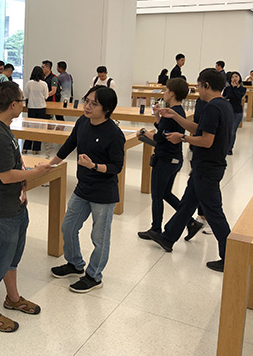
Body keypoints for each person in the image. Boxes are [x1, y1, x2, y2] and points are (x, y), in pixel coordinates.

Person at [0, 81, 52, 332]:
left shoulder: (4, 129)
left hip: (15, 204)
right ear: (13, 104)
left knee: (11, 257)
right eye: (21, 100)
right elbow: (6, 176)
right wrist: (37, 172)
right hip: (1, 210)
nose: (23, 104)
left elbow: (13, 169)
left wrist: (23, 187)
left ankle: (13, 298)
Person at [146, 68, 234, 272]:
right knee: (187, 204)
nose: (197, 90)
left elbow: (206, 140)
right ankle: (168, 237)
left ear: (207, 86)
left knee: (214, 212)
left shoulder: (212, 108)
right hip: (205, 166)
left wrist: (182, 138)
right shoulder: (223, 105)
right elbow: (200, 129)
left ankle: (230, 256)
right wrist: (175, 117)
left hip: (207, 168)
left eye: (199, 85)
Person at [49, 85, 125, 292]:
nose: (87, 106)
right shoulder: (83, 121)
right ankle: (75, 264)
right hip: (83, 187)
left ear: (106, 109)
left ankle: (94, 276)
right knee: (68, 227)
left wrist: (93, 166)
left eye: (94, 104)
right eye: (87, 101)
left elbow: (116, 167)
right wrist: (50, 164)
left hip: (103, 193)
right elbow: (69, 144)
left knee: (99, 238)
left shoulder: (114, 134)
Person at [136, 78, 190, 238]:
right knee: (165, 193)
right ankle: (190, 222)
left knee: (157, 195)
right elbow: (164, 131)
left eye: (166, 90)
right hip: (175, 159)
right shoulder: (178, 111)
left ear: (172, 93)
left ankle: (155, 229)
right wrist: (157, 117)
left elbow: (159, 138)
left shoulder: (171, 113)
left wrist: (144, 132)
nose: (164, 93)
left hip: (165, 159)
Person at [22, 66, 48, 155]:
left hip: (31, 107)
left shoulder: (28, 83)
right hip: (41, 107)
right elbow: (46, 96)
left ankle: (26, 147)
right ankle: (35, 149)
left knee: (30, 128)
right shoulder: (44, 84)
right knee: (39, 129)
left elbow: (26, 95)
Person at [223, 71, 246, 155]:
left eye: (236, 76)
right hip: (228, 111)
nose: (234, 78)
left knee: (232, 131)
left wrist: (234, 88)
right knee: (226, 131)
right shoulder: (227, 89)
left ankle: (229, 148)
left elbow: (238, 96)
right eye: (232, 77)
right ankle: (224, 147)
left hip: (237, 112)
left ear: (239, 78)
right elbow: (225, 97)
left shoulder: (242, 89)